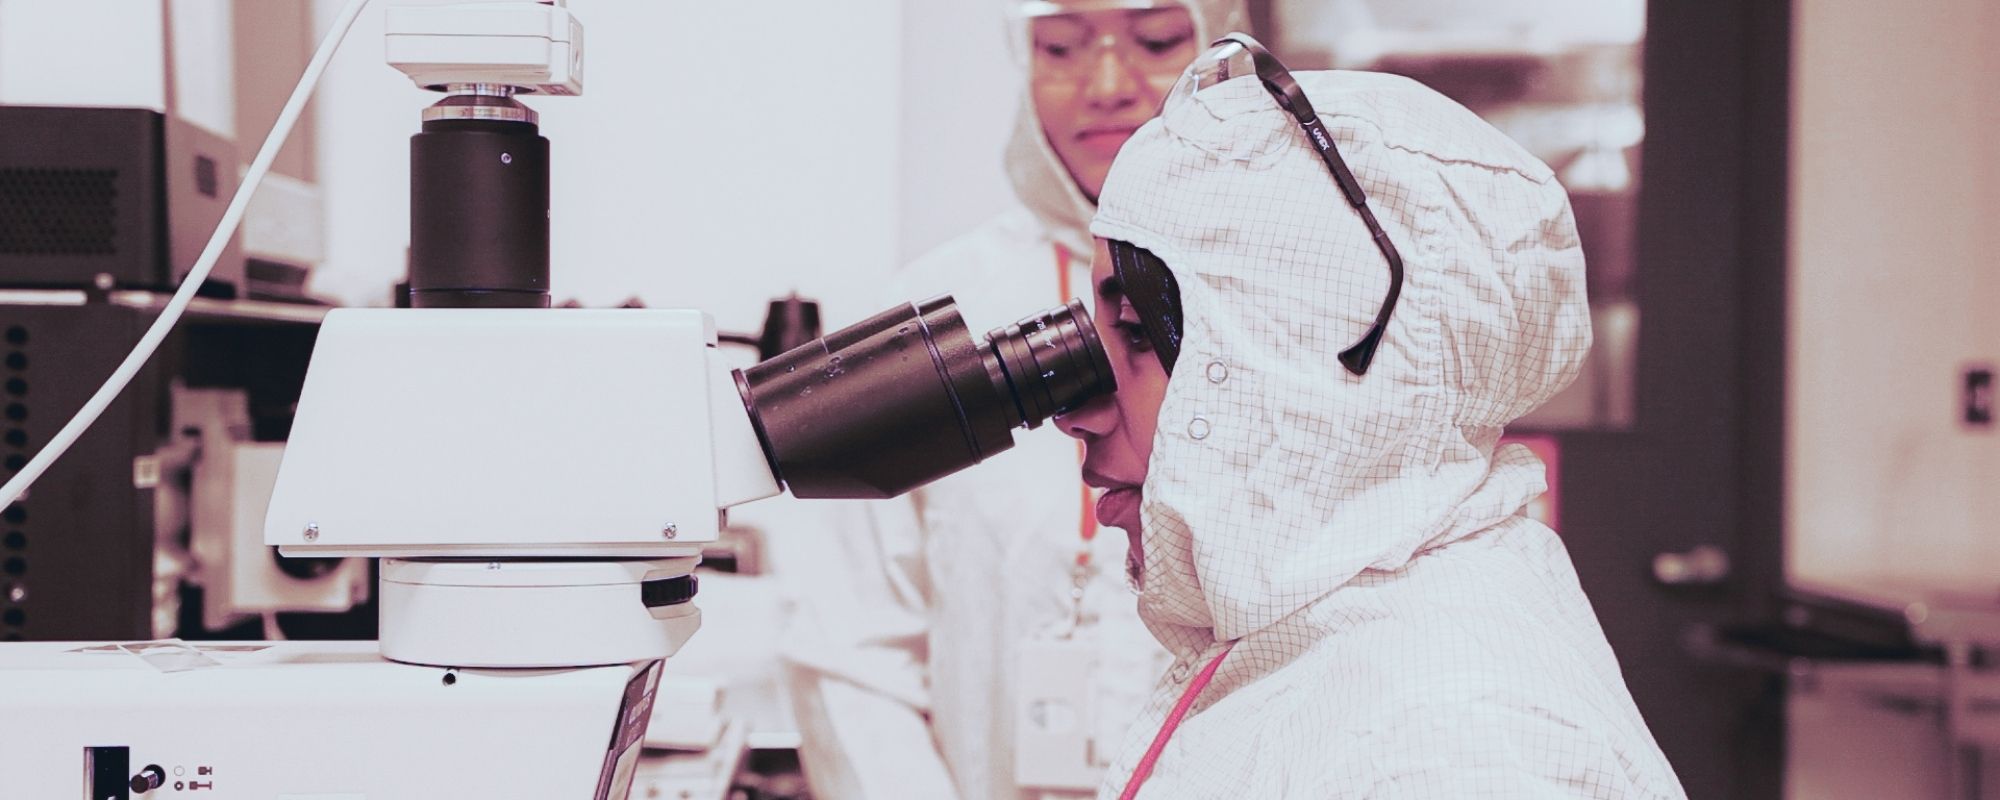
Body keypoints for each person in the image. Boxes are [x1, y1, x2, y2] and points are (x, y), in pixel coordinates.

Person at [1055, 38, 1688, 798]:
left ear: (1314, 368)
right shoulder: (1310, 630)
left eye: (1136, 336)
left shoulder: (1449, 745)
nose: (1077, 414)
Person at [778, 2, 1247, 799]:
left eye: (1156, 40)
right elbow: (849, 647)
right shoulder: (934, 311)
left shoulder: (1282, 299)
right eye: (1061, 47)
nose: (1106, 83)